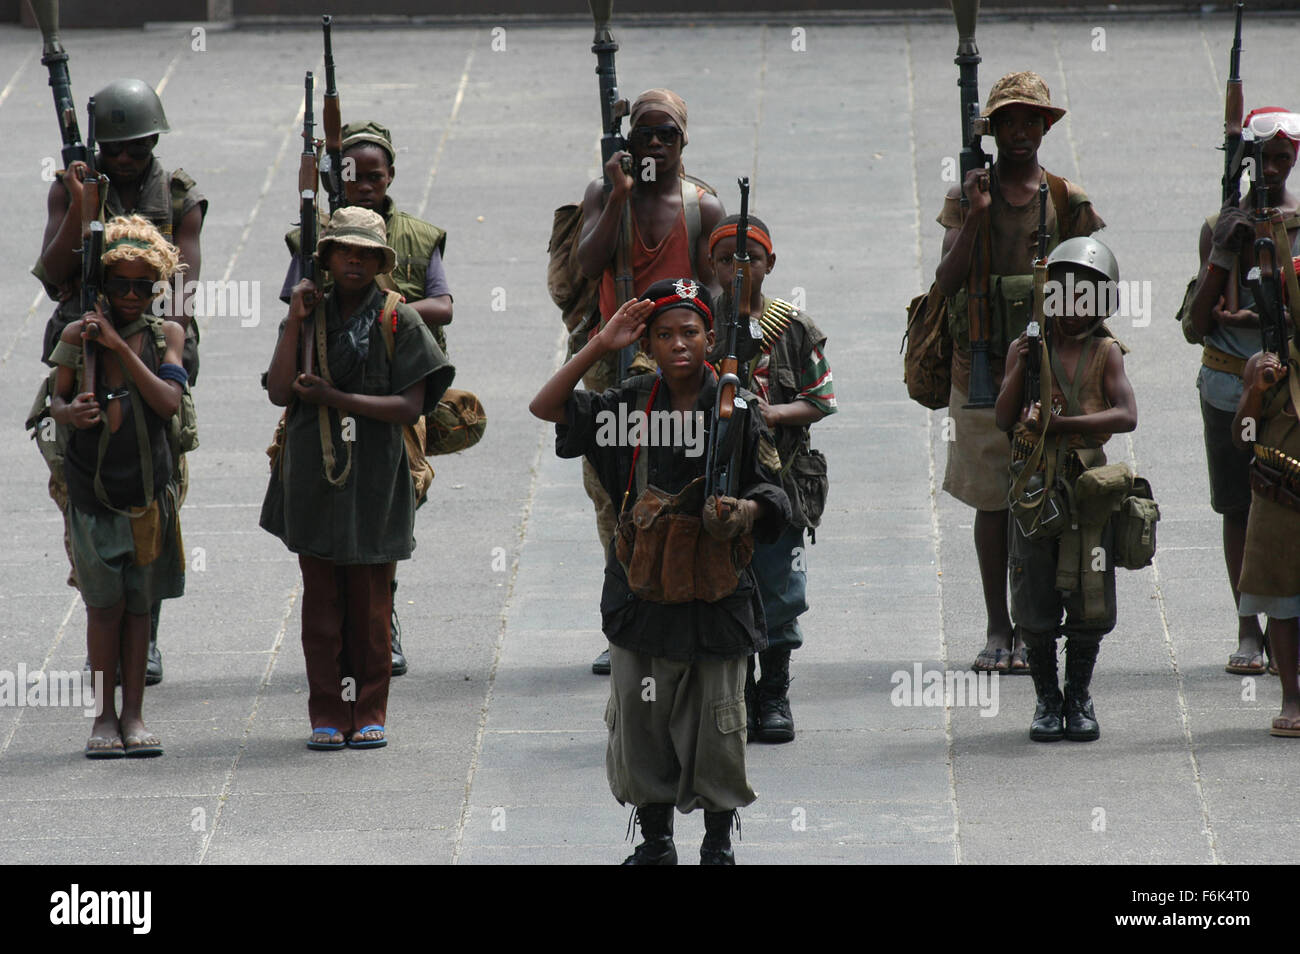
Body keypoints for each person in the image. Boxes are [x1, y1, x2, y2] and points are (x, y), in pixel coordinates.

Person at [529, 278, 789, 863]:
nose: (679, 345)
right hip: (641, 600)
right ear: (646, 341)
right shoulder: (625, 404)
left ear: (711, 337)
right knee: (642, 726)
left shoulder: (738, 407)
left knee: (719, 731)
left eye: (690, 332)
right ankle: (655, 842)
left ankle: (718, 845)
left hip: (716, 601)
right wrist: (599, 345)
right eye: (664, 334)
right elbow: (546, 406)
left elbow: (778, 497)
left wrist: (742, 511)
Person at [261, 207, 452, 751]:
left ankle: (368, 709)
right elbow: (278, 390)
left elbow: (409, 405)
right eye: (344, 250)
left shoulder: (399, 318)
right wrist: (295, 320)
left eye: (366, 253)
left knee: (371, 605)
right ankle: (326, 711)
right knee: (322, 604)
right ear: (325, 258)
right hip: (313, 474)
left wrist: (336, 398)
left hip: (373, 476)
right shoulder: (308, 315)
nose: (354, 260)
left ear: (379, 262)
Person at [36, 78, 206, 686]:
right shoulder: (71, 187)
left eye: (140, 145)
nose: (129, 158)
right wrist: (81, 206)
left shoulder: (181, 196)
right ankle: (103, 627)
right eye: (118, 148)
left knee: (153, 496)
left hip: (153, 353)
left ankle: (145, 631)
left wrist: (156, 346)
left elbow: (182, 288)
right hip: (80, 350)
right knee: (81, 499)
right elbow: (54, 277)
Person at [935, 70, 1105, 674]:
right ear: (993, 128)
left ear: (1045, 127)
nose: (1021, 132)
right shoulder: (966, 197)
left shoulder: (1064, 199)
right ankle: (998, 626)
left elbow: (1095, 291)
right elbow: (946, 281)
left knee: (1061, 489)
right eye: (1009, 120)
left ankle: (1056, 620)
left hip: (1052, 364)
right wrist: (977, 215)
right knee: (993, 501)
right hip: (980, 363)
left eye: (1032, 120)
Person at [281, 120, 454, 677]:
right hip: (325, 398)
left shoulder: (418, 236)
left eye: (373, 173)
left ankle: (383, 616)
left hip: (395, 385)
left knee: (391, 509)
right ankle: (341, 647)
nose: (362, 182)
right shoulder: (312, 241)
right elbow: (295, 308)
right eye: (350, 172)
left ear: (391, 176)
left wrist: (388, 306)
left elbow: (443, 305)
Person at [575, 88, 726, 675]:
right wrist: (617, 196)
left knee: (671, 485)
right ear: (629, 142)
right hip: (611, 364)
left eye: (668, 135)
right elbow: (588, 265)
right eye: (645, 136)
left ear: (684, 143)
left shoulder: (702, 209)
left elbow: (714, 298)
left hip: (676, 367)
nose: (656, 145)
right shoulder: (606, 194)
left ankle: (677, 600)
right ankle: (625, 613)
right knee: (614, 489)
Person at [49, 215, 189, 758]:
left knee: (139, 608)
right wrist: (73, 411)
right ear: (103, 287)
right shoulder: (75, 338)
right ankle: (103, 717)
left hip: (147, 495)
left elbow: (168, 401)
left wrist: (121, 347)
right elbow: (54, 403)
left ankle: (134, 715)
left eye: (142, 286)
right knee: (102, 610)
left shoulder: (165, 336)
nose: (131, 296)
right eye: (120, 285)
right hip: (93, 497)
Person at [995, 237, 1137, 742]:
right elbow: (1002, 416)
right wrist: (1024, 364)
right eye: (1064, 295)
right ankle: (1046, 700)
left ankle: (1078, 694)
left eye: (1088, 298)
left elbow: (1126, 414)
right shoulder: (1027, 348)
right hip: (1035, 489)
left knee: (1088, 595)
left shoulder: (1106, 353)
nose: (1075, 309)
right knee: (1033, 596)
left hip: (1086, 493)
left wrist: (1064, 424)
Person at [708, 214, 835, 744]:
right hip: (716, 477)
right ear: (710, 266)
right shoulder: (700, 322)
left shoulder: (794, 327)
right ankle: (734, 692)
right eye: (727, 260)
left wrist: (768, 415)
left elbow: (821, 400)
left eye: (751, 259)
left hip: (779, 481)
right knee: (721, 586)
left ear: (770, 264)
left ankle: (775, 691)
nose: (740, 269)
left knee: (779, 590)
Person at [1187, 107, 1300, 676]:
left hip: (1291, 394)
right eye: (1266, 157)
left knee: (1285, 503)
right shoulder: (1220, 224)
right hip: (1230, 386)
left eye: (1285, 156)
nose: (1275, 168)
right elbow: (1194, 324)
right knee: (1239, 506)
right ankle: (1247, 627)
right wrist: (1221, 255)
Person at [1232, 342, 1300, 736]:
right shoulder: (1265, 363)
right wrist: (1257, 391)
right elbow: (1242, 438)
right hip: (1279, 496)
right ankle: (1291, 696)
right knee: (1281, 600)